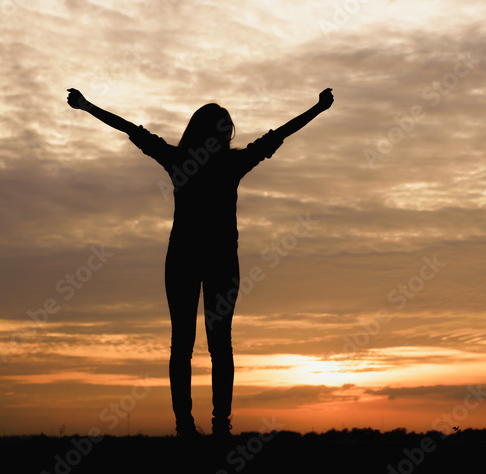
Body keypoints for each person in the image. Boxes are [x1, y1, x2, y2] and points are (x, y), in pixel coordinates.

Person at [66, 86, 334, 438]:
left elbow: (132, 129)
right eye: (225, 131)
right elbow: (279, 134)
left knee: (191, 344)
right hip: (207, 260)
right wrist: (317, 109)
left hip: (190, 260)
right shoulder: (227, 163)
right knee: (214, 344)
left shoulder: (185, 160)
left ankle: (193, 426)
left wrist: (87, 106)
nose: (226, 137)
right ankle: (209, 426)